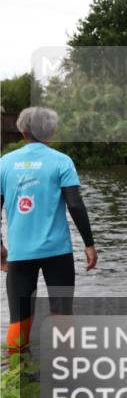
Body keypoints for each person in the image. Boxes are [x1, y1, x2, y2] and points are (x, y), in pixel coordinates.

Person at [0, 107, 98, 353]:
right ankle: (63, 373)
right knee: (62, 314)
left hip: (20, 253)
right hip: (58, 252)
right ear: (51, 131)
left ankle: (16, 379)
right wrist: (89, 244)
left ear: (23, 132)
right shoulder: (61, 161)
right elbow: (75, 204)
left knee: (19, 320)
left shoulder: (4, 163)